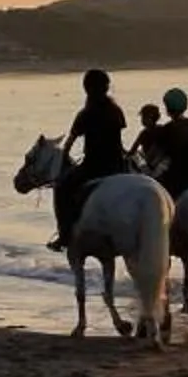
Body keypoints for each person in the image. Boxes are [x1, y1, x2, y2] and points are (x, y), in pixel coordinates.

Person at [55, 68, 125, 250]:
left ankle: (64, 235)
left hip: (95, 166)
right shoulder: (116, 110)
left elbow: (69, 143)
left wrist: (64, 159)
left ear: (87, 88)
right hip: (118, 164)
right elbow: (118, 139)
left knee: (62, 188)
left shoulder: (86, 113)